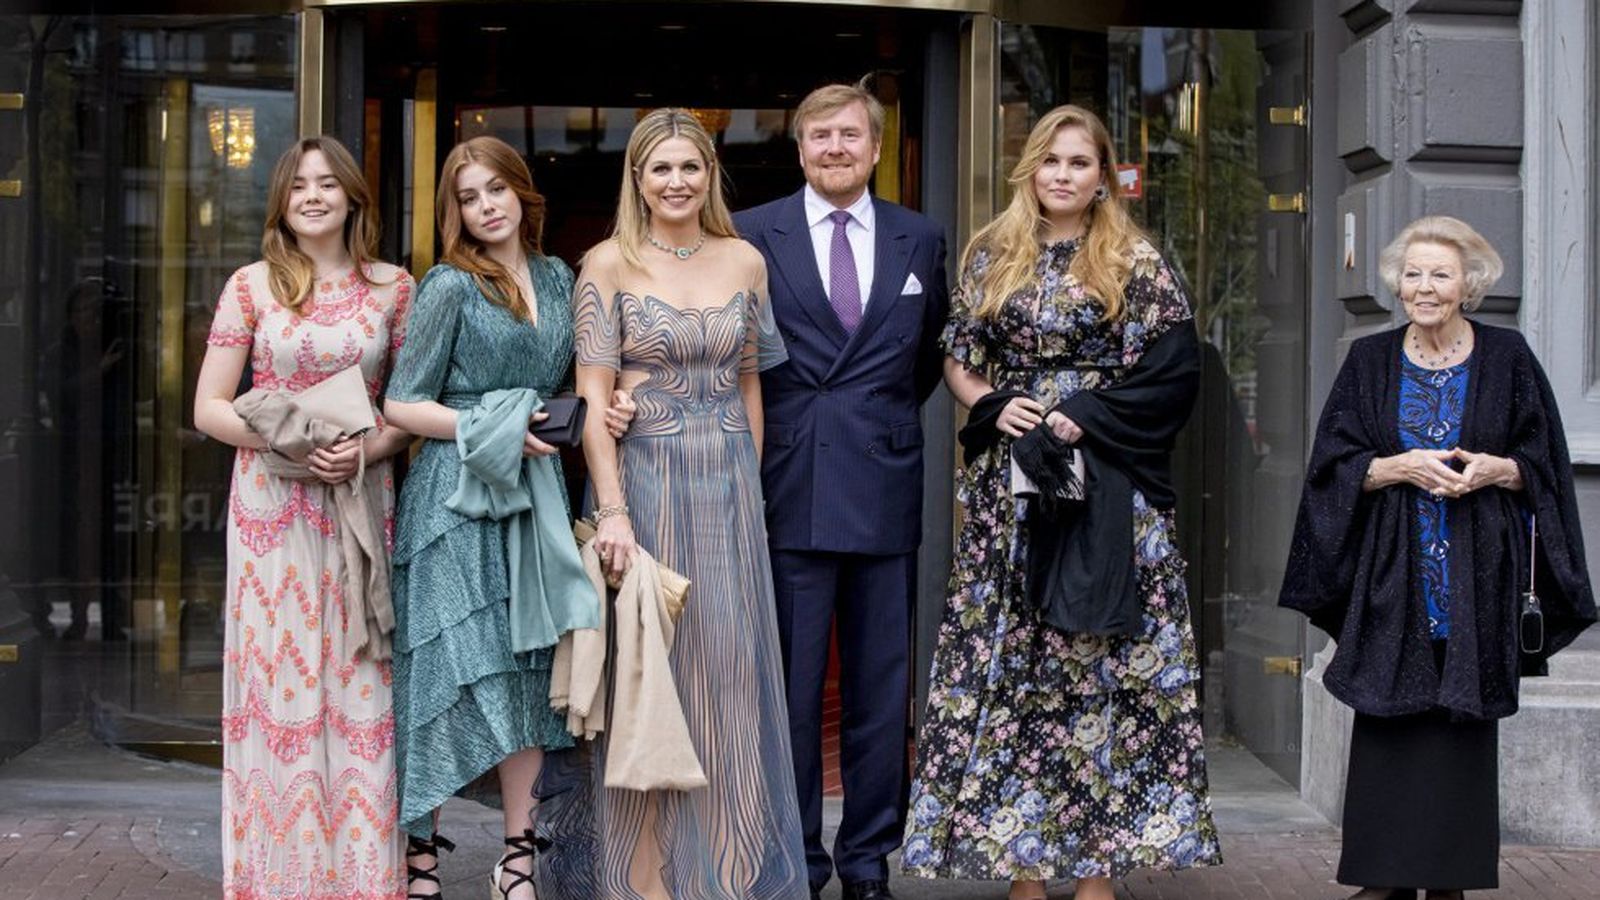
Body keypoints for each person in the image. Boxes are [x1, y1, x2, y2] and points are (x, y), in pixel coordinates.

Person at [902, 105, 1222, 900]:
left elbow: (1176, 372)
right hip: (1012, 490)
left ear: (1102, 173)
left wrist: (1088, 413)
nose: (1064, 176)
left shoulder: (1136, 259)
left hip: (1109, 482)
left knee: (1100, 670)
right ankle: (1026, 864)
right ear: (1030, 170)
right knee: (1019, 672)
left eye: (1080, 163)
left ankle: (1097, 868)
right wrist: (994, 404)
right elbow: (958, 357)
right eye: (1051, 162)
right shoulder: (991, 254)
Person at [1279, 215, 1596, 900]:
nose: (1424, 288)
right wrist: (1394, 467)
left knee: (1460, 719)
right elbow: (1332, 468)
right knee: (1390, 712)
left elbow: (1544, 463)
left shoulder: (1507, 357)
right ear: (1398, 283)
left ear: (1469, 284)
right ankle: (1383, 876)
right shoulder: (1369, 360)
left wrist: (1496, 471)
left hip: (1478, 564)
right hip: (1394, 567)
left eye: (1440, 274)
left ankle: (1448, 878)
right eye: (1413, 274)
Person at [544, 107, 806, 900]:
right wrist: (613, 511)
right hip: (644, 489)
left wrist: (751, 493)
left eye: (690, 166)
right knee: (645, 683)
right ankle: (644, 883)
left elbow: (753, 385)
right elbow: (591, 399)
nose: (676, 181)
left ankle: (725, 876)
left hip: (727, 492)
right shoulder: (605, 265)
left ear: (710, 175)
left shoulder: (745, 262)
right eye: (660, 168)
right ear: (638, 179)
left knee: (728, 684)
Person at [733, 81, 949, 900]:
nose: (834, 148)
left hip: (884, 484)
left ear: (875, 146)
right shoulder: (754, 234)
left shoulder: (918, 237)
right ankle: (796, 860)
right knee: (786, 695)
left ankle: (866, 861)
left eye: (849, 135)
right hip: (786, 482)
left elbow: (927, 355)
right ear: (799, 149)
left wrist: (875, 421)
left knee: (878, 691)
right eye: (819, 136)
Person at [194, 136, 413, 900]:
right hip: (271, 509)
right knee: (276, 683)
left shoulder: (394, 288)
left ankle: (359, 877)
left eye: (328, 184)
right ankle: (275, 878)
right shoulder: (252, 286)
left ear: (354, 196)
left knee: (359, 676)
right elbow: (208, 407)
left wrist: (363, 451)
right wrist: (298, 439)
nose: (314, 196)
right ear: (282, 203)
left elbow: (406, 409)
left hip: (357, 501)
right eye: (299, 187)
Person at [383, 135, 598, 900]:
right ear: (456, 212)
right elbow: (402, 403)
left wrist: (614, 402)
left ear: (521, 192)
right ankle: (419, 861)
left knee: (525, 676)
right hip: (455, 499)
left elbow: (581, 380)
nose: (485, 207)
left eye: (495, 190)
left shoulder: (559, 276)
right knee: (443, 672)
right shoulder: (447, 285)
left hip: (532, 497)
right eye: (469, 198)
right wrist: (492, 426)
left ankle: (518, 862)